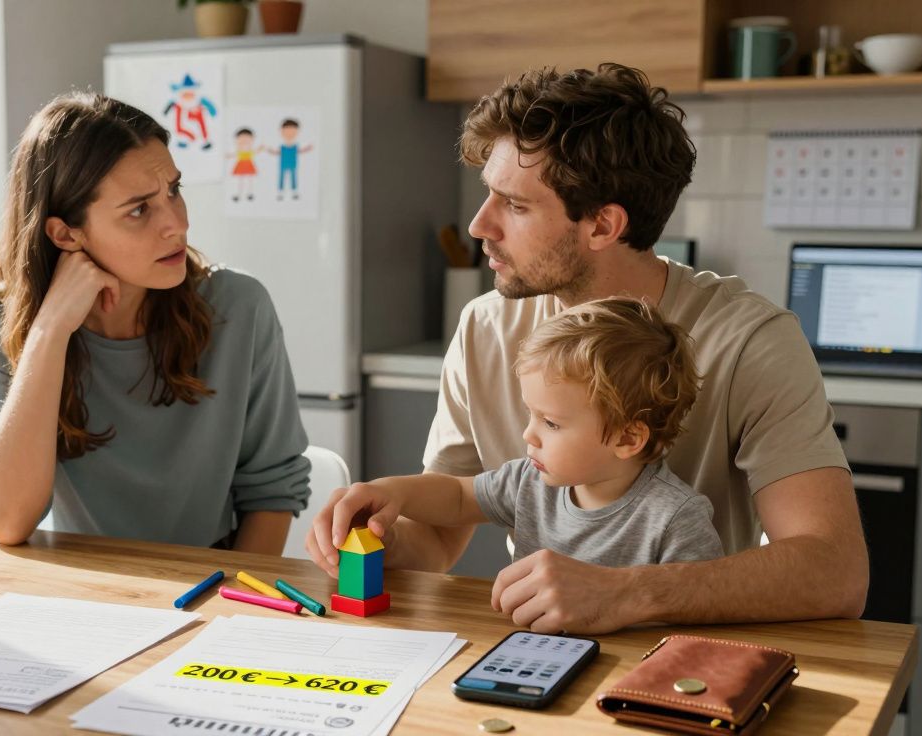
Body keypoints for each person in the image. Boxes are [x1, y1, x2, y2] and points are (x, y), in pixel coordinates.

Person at [305, 64, 868, 634]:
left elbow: (836, 572)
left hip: (680, 661)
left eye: (515, 205)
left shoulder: (750, 340)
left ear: (603, 225)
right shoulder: (485, 327)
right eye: (487, 197)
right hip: (541, 648)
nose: (479, 226)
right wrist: (377, 536)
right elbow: (438, 538)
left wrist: (625, 593)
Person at [0, 92, 310, 553]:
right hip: (68, 594)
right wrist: (49, 331)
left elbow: (271, 492)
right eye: (140, 209)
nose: (176, 223)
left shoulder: (238, 307)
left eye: (174, 191)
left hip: (209, 587)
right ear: (66, 233)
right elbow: (3, 520)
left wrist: (231, 605)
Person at [315, 300, 723, 617]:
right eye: (531, 413)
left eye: (551, 422)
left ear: (628, 437)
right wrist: (391, 492)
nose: (528, 434)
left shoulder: (677, 517)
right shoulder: (529, 480)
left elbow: (695, 610)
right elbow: (457, 497)